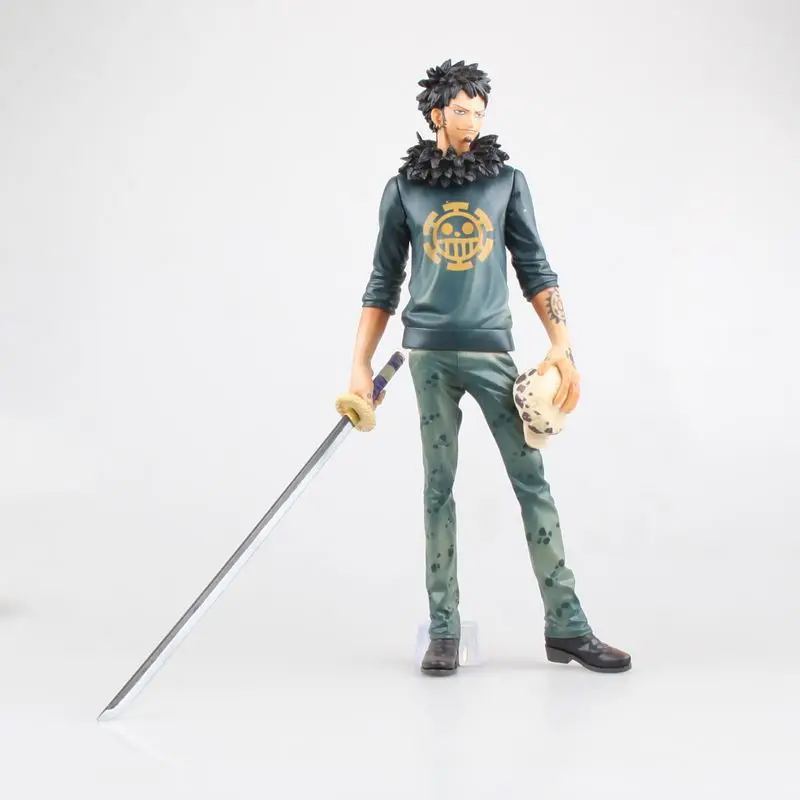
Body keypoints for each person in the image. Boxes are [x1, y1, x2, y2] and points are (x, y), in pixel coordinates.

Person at [347, 59, 630, 675]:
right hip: (426, 356)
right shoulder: (404, 190)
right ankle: (443, 630)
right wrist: (359, 367)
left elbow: (536, 267)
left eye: (479, 111)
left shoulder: (506, 182)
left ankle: (567, 626)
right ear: (436, 113)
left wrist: (562, 344)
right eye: (461, 110)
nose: (471, 120)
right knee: (437, 488)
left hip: (490, 352)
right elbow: (381, 283)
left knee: (532, 481)